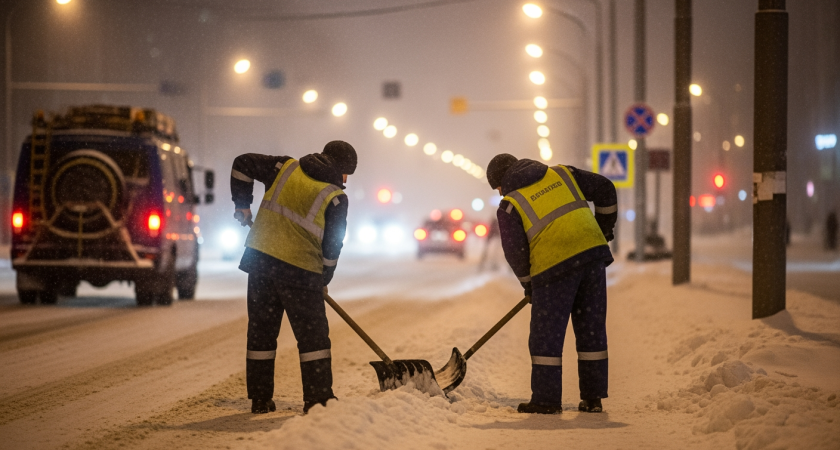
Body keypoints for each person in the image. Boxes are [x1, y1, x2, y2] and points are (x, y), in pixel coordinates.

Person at [229, 141, 357, 414]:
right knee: (313, 340)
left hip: (261, 264)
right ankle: (318, 400)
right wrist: (324, 278)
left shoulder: (284, 167)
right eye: (347, 173)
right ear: (340, 168)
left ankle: (260, 399)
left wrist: (242, 204)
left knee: (261, 334)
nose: (346, 181)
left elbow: (242, 162)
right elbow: (332, 248)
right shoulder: (336, 198)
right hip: (300, 271)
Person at [486, 153, 617, 415]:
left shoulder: (510, 205)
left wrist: (528, 284)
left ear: (502, 182)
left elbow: (515, 252)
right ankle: (593, 398)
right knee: (591, 328)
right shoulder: (563, 173)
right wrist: (603, 229)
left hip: (553, 267)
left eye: (498, 188)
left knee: (546, 336)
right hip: (592, 256)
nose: (500, 193)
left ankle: (546, 400)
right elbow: (605, 187)